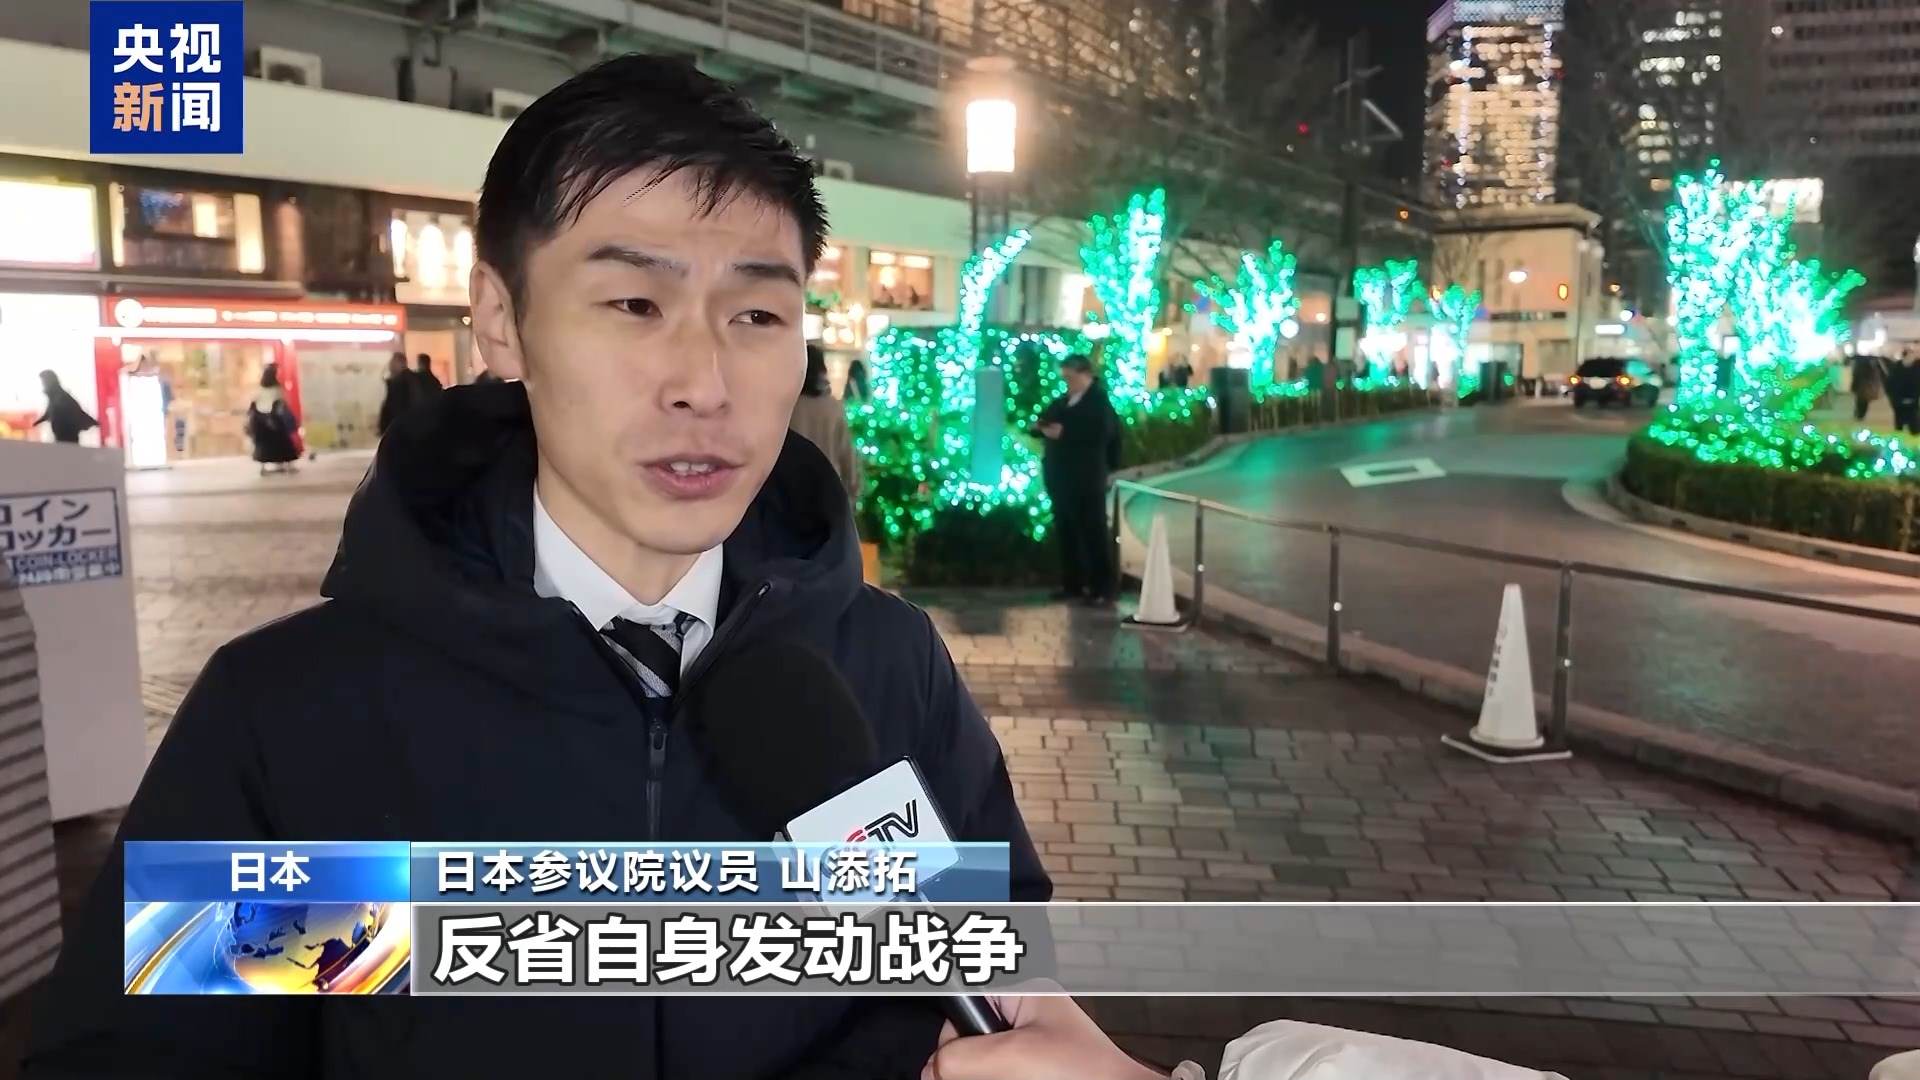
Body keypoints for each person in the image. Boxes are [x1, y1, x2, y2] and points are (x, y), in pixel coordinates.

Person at [23, 53, 1047, 1079]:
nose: (705, 383)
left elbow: (1002, 984)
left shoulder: (888, 669)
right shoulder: (294, 715)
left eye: (757, 317)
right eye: (634, 304)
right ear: (501, 320)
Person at [1031, 354, 1118, 606]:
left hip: (1086, 478)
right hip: (1061, 477)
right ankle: (1073, 583)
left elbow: (1103, 434)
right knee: (1067, 531)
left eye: (1071, 378)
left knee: (1093, 531)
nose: (1068, 383)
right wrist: (1042, 428)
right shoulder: (1063, 401)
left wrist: (1065, 433)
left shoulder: (1098, 403)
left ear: (1085, 375)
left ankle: (1102, 587)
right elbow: (1044, 419)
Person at [789, 343, 862, 501]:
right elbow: (846, 452)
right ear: (823, 369)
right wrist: (853, 490)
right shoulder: (834, 408)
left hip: (792, 490)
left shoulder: (788, 407)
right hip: (827, 489)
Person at [246, 363, 301, 475]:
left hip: (260, 421)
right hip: (274, 420)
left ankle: (263, 467)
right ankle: (287, 465)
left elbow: (252, 405)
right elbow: (282, 405)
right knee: (282, 442)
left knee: (263, 444)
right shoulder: (277, 390)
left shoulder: (259, 390)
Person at [32, 370, 96, 445]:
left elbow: (72, 411)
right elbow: (49, 413)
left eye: (44, 382)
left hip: (66, 434)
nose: (43, 384)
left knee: (67, 449)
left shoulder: (60, 397)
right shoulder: (55, 396)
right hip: (63, 435)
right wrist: (36, 423)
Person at [376, 351, 413, 436]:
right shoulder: (401, 379)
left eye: (393, 362)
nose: (390, 366)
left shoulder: (402, 381)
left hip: (399, 428)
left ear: (401, 364)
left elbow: (395, 406)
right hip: (398, 427)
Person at [1889, 350, 1920, 435]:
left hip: (1913, 399)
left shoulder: (1916, 368)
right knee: (1899, 423)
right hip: (1899, 400)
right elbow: (1891, 384)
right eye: (1910, 356)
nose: (1912, 358)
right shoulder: (1896, 368)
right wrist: (1895, 397)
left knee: (1914, 423)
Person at [1852, 352, 1886, 422]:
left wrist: (1853, 386)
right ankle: (1861, 414)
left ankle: (1859, 413)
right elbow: (1881, 374)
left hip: (1861, 386)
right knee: (1864, 400)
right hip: (1866, 386)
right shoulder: (1872, 365)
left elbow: (1855, 377)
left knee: (1860, 400)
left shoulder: (1859, 365)